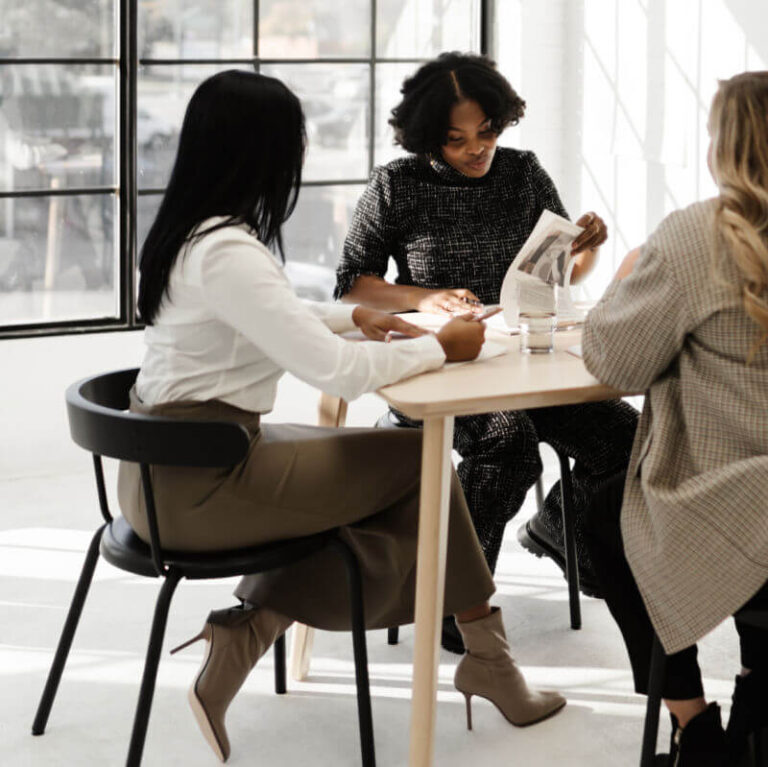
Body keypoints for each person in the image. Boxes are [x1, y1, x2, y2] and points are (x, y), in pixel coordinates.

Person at [117, 70, 566, 763]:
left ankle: (253, 628)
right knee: (419, 466)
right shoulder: (229, 252)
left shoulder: (196, 236)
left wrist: (358, 312)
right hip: (201, 484)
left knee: (390, 475)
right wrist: (437, 347)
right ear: (261, 153)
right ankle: (489, 661)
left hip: (176, 467)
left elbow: (286, 313)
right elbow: (336, 371)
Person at [334, 51, 639, 652]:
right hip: (441, 370)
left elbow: (557, 271)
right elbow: (353, 284)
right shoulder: (396, 185)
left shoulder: (523, 174)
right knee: (509, 441)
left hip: (524, 363)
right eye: (457, 140)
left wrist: (588, 249)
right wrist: (428, 298)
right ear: (429, 138)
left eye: (488, 132)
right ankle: (457, 602)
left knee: (633, 440)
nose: (477, 149)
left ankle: (556, 525)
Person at [581, 71, 768, 766]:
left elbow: (614, 362)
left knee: (603, 514)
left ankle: (695, 729)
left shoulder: (698, 237)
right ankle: (757, 689)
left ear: (726, 144)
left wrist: (626, 277)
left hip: (734, 494)